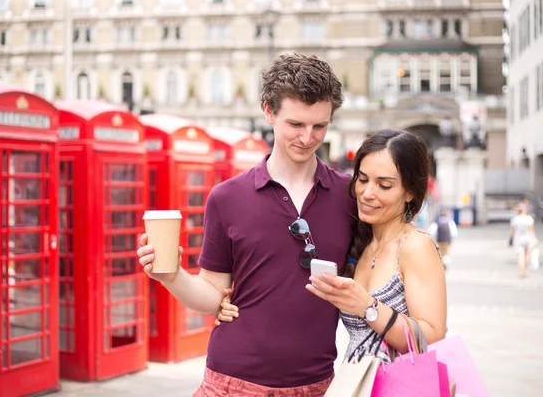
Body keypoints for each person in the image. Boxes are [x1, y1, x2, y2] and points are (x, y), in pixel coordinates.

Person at [137, 53, 356, 394]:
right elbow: (213, 294)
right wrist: (172, 275)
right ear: (269, 111)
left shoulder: (348, 195)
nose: (308, 137)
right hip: (235, 382)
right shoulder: (227, 198)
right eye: (295, 125)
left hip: (317, 385)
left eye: (320, 126)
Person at [218, 129, 448, 364]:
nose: (368, 193)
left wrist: (369, 307)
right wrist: (233, 304)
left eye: (384, 185)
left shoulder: (416, 246)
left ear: (409, 192)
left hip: (400, 385)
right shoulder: (360, 241)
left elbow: (433, 335)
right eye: (363, 179)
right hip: (359, 383)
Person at [510, 204, 536, 278]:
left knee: (520, 256)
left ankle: (522, 271)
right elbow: (532, 231)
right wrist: (533, 238)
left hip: (518, 239)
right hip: (527, 238)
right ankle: (525, 269)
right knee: (526, 255)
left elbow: (513, 232)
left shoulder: (515, 219)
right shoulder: (529, 218)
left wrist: (511, 240)